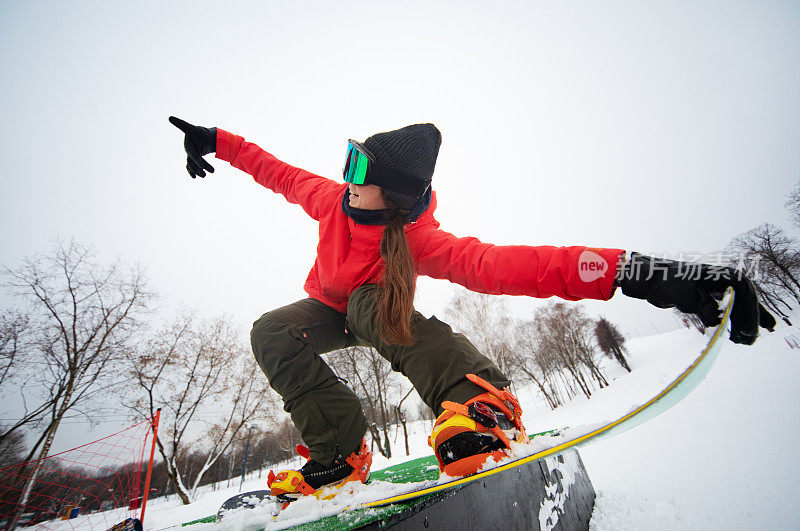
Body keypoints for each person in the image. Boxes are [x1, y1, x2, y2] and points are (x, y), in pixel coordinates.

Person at [169, 116, 775, 501]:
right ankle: (338, 455)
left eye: (360, 168)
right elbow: (273, 170)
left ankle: (476, 398)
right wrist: (216, 142)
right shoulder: (329, 200)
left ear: (396, 194)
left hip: (372, 310)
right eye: (348, 159)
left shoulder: (416, 242)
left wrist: (647, 274)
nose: (345, 177)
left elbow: (518, 265)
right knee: (271, 331)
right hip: (323, 310)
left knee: (366, 303)